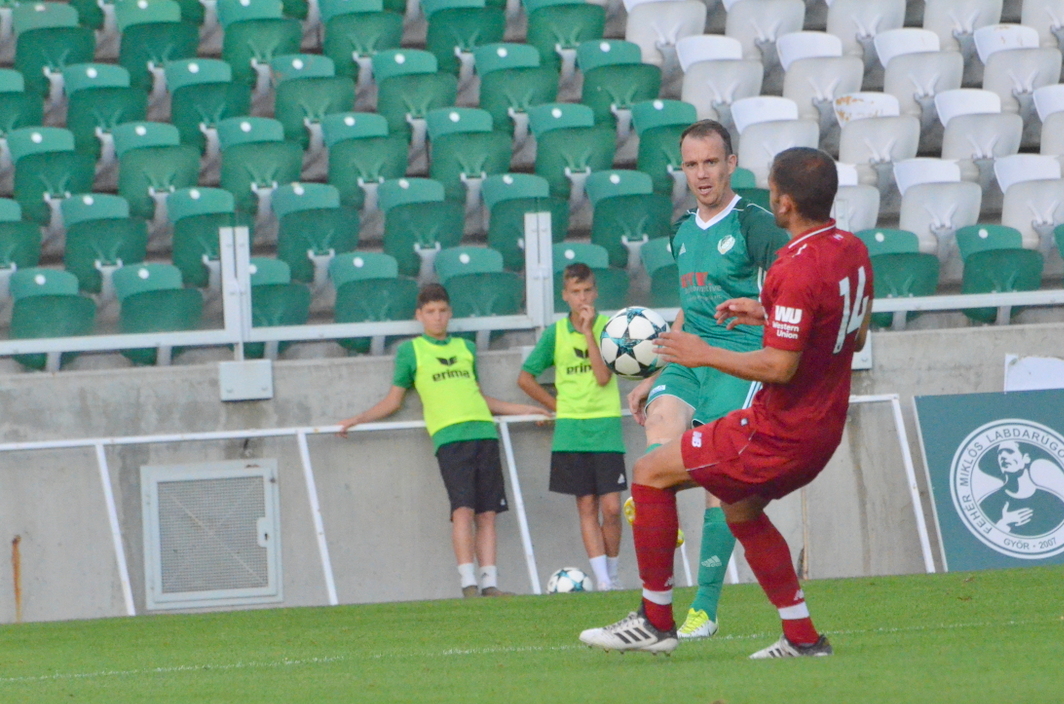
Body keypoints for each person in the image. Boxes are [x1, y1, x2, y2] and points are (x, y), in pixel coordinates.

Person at [579, 146, 873, 659]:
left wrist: (701, 351)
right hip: (824, 429)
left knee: (650, 471)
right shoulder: (851, 249)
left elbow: (779, 367)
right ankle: (803, 638)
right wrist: (769, 313)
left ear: (781, 202)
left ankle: (654, 621)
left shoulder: (792, 266)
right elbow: (856, 333)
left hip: (779, 431)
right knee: (740, 508)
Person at [626, 119, 792, 639]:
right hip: (687, 357)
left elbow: (792, 299)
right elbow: (687, 307)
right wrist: (655, 372)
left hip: (737, 361)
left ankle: (705, 606)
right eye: (692, 165)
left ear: (731, 165)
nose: (701, 174)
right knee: (658, 434)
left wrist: (758, 313)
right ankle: (659, 515)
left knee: (719, 479)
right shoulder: (680, 231)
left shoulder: (755, 225)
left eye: (711, 163)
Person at [337, 283, 550, 598]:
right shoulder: (411, 351)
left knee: (488, 512)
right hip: (449, 438)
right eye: (430, 312)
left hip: (483, 432)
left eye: (442, 311)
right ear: (419, 316)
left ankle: (491, 584)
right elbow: (394, 400)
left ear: (450, 313)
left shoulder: (465, 348)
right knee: (462, 509)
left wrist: (524, 409)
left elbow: (477, 395)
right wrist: (358, 418)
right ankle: (468, 584)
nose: (437, 318)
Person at [518, 263, 628, 590]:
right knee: (586, 506)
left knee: (611, 508)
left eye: (586, 291)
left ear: (595, 292)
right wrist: (557, 407)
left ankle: (614, 570)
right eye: (574, 292)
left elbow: (603, 376)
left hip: (605, 426)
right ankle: (604, 582)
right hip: (571, 431)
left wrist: (589, 333)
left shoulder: (609, 327)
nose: (581, 298)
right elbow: (525, 378)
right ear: (565, 296)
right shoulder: (554, 333)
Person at [980, 441, 1064, 534]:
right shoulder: (987, 505)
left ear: (1026, 458)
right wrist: (1003, 524)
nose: (1003, 456)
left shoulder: (1053, 503)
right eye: (999, 453)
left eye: (1010, 451)